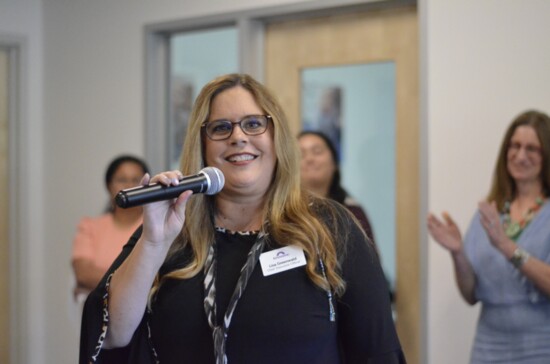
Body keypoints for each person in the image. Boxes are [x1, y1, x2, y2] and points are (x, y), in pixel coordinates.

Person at [79, 73, 405, 363]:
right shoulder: (170, 234)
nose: (238, 137)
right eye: (221, 127)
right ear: (202, 146)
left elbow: (377, 350)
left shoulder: (329, 227)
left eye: (253, 123)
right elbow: (110, 336)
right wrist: (153, 242)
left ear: (276, 137)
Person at [427, 110, 550, 363]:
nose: (520, 155)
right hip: (488, 348)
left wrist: (506, 246)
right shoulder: (491, 212)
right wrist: (458, 252)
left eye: (532, 149)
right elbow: (470, 294)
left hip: (541, 346)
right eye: (514, 146)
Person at [71, 155, 150, 299]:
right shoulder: (90, 227)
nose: (129, 186)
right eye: (122, 180)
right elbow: (83, 274)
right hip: (101, 313)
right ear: (109, 185)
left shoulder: (155, 226)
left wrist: (104, 281)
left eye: (135, 180)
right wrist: (137, 280)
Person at [298, 130, 375, 242]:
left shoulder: (352, 211)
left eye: (317, 152)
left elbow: (371, 258)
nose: (310, 159)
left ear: (334, 163)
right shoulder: (279, 213)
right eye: (300, 154)